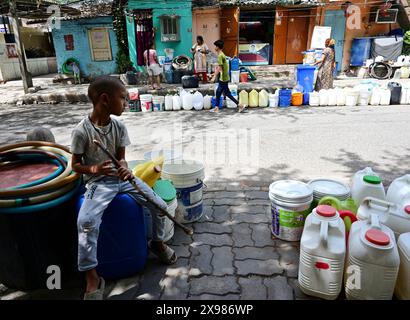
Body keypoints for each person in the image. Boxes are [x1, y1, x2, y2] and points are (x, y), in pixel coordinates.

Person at [71, 76, 177, 300]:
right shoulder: (82, 131)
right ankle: (91, 275)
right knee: (86, 222)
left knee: (159, 204)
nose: (126, 104)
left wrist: (125, 169)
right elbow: (75, 166)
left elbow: (122, 160)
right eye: (123, 99)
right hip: (98, 184)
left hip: (122, 180)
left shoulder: (119, 126)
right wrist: (95, 169)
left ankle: (156, 243)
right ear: (105, 100)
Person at [209, 40, 245, 113]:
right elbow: (221, 67)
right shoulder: (222, 54)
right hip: (225, 76)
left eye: (215, 46)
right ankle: (217, 107)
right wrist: (214, 73)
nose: (214, 47)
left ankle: (240, 105)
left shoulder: (220, 56)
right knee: (220, 92)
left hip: (223, 77)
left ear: (218, 47)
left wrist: (214, 77)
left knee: (223, 93)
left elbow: (220, 68)